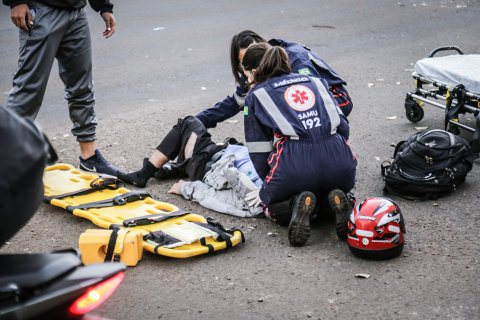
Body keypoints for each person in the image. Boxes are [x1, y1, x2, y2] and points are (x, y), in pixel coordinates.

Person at [240, 43, 357, 247]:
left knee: (270, 204)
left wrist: (269, 186)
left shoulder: (256, 95)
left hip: (295, 161)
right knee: (331, 188)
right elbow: (343, 127)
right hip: (339, 160)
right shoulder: (316, 81)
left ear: (254, 71)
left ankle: (297, 204)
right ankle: (335, 201)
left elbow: (259, 149)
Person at [3, 0, 119, 176]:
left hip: (76, 12)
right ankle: (7, 162)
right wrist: (16, 2)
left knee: (82, 86)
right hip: (40, 12)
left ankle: (89, 158)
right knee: (27, 91)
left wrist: (103, 6)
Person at [195, 30, 353, 131]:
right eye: (247, 62)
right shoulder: (251, 70)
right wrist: (199, 120)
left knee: (270, 107)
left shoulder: (296, 59)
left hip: (335, 99)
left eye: (256, 55)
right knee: (257, 104)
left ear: (264, 48)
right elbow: (233, 103)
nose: (254, 63)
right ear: (241, 66)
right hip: (307, 110)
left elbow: (317, 101)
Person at [117, 117, 263, 218]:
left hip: (208, 164)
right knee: (194, 134)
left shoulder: (258, 198)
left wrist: (187, 189)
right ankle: (173, 168)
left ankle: (143, 175)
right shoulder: (279, 179)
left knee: (188, 123)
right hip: (223, 153)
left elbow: (220, 200)